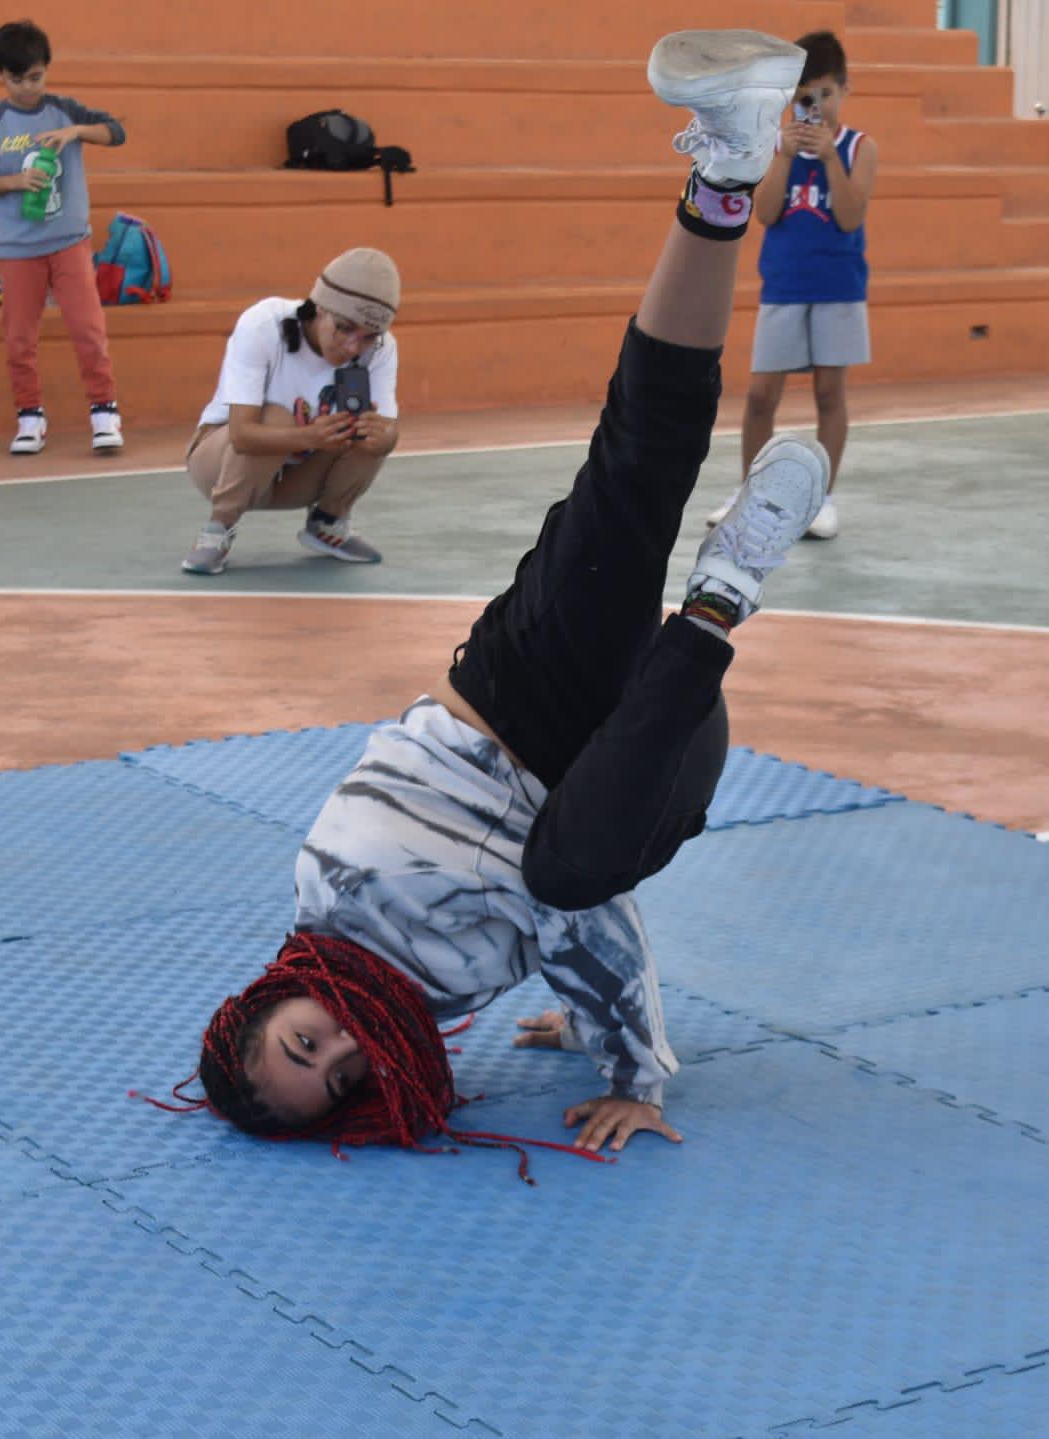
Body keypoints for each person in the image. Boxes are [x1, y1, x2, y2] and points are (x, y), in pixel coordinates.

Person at [145, 30, 827, 1176]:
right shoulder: (451, 980)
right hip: (648, 752)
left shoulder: (328, 881)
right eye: (344, 1078)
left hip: (525, 684)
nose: (348, 1044)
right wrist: (619, 1053)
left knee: (639, 455)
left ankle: (722, 164)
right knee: (567, 876)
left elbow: (530, 889)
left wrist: (615, 1040)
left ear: (267, 998)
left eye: (305, 1041)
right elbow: (576, 905)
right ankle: (720, 590)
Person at [707, 30, 877, 540]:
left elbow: (850, 218)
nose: (818, 106)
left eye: (827, 93)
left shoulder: (859, 148)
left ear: (844, 90)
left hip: (838, 288)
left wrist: (829, 159)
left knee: (829, 392)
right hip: (783, 286)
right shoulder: (777, 148)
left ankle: (819, 498)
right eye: (808, 97)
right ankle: (750, 493)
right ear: (793, 100)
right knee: (761, 397)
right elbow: (764, 213)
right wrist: (782, 157)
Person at [181, 248, 401, 574]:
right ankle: (217, 530)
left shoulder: (382, 350)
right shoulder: (264, 325)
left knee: (372, 429)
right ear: (320, 309)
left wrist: (382, 438)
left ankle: (329, 521)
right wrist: (308, 435)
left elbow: (387, 429)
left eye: (369, 337)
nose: (354, 347)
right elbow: (242, 435)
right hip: (221, 468)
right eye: (344, 328)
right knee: (276, 418)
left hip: (299, 477)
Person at [0, 20, 126, 456]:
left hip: (69, 241)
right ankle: (30, 416)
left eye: (35, 77)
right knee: (19, 337)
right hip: (18, 250)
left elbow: (116, 132)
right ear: (1, 75)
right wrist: (17, 181)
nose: (26, 89)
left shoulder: (64, 110)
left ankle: (104, 411)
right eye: (16, 80)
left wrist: (75, 132)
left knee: (87, 328)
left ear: (46, 70)